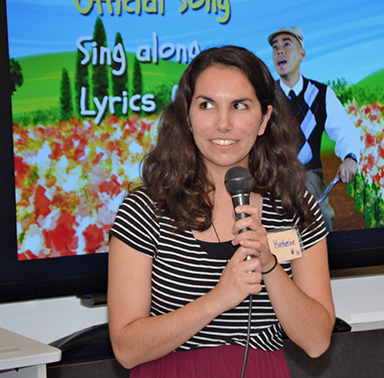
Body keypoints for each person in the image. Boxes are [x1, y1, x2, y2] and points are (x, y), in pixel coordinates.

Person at [107, 45, 335, 377]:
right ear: (187, 116)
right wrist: (218, 298)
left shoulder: (294, 205)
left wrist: (269, 265)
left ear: (264, 119)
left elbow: (316, 341)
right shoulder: (145, 209)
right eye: (207, 105)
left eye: (240, 106)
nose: (223, 123)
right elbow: (126, 349)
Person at [268, 26, 362, 232]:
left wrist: (350, 158)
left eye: (287, 45)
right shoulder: (266, 96)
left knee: (319, 214)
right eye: (275, 48)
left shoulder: (321, 94)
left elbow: (346, 131)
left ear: (302, 54)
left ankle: (322, 257)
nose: (280, 51)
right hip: (275, 179)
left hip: (310, 176)